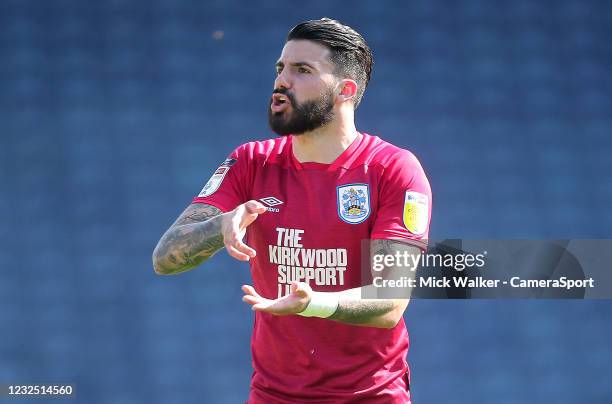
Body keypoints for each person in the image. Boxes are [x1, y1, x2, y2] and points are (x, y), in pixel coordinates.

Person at [153, 18, 432, 403]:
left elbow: (390, 301)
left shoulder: (391, 168)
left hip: (371, 395)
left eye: (303, 70)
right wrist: (220, 225)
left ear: (344, 91)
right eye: (280, 68)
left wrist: (312, 302)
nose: (282, 81)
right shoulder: (251, 162)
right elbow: (165, 258)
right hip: (274, 395)